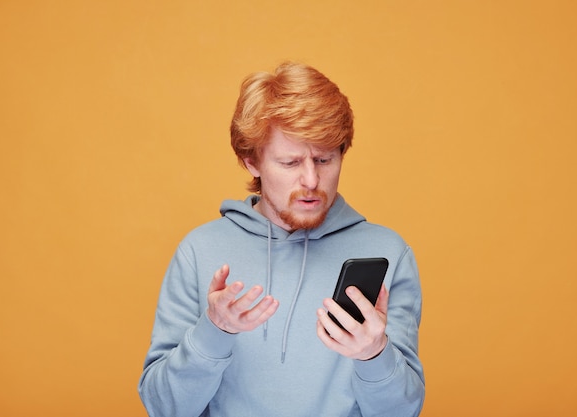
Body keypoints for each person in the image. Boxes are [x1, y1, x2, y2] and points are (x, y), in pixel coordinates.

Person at [138, 62, 425, 417]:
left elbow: (402, 413)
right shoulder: (199, 252)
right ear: (251, 163)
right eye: (290, 162)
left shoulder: (388, 253)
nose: (310, 179)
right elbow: (164, 408)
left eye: (324, 158)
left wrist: (374, 356)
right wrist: (214, 331)